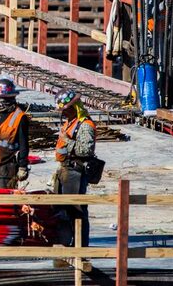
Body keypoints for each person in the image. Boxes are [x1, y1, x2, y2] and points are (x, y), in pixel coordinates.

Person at [53, 89, 97, 247]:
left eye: (65, 110)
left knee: (76, 210)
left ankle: (80, 245)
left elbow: (86, 150)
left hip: (75, 173)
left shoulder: (85, 125)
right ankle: (69, 241)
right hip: (65, 170)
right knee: (64, 209)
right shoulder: (70, 123)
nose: (63, 114)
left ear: (74, 107)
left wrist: (68, 141)